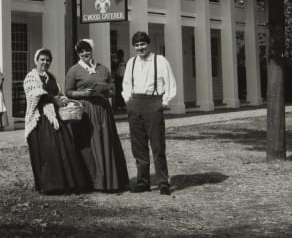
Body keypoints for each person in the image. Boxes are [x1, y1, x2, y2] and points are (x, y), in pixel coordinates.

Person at [23, 48, 92, 195]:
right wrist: (53, 99)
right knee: (48, 149)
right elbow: (34, 94)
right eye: (42, 59)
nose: (45, 62)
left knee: (64, 147)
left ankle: (66, 183)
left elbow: (58, 93)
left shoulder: (51, 77)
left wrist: (62, 99)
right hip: (40, 119)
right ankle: (49, 185)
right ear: (36, 60)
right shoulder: (31, 76)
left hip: (55, 116)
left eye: (47, 60)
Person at [64, 39, 130, 193]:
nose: (84, 54)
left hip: (103, 110)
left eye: (87, 50)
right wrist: (82, 93)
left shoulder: (103, 69)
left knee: (106, 143)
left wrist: (108, 91)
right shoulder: (74, 70)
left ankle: (110, 181)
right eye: (81, 52)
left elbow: (112, 89)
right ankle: (92, 181)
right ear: (78, 54)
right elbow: (68, 91)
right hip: (86, 110)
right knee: (89, 144)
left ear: (92, 51)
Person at [121, 31, 177, 195]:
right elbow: (126, 85)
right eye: (137, 45)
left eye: (143, 44)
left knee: (158, 145)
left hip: (153, 103)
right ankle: (143, 182)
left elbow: (171, 83)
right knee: (138, 146)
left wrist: (164, 102)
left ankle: (162, 182)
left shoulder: (160, 61)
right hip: (135, 103)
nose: (140, 48)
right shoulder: (131, 62)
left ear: (148, 44)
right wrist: (128, 101)